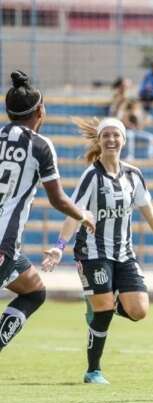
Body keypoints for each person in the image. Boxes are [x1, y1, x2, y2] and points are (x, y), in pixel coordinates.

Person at [41, 117, 153, 384]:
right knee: (103, 311)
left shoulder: (134, 175)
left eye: (115, 135)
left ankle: (102, 301)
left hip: (124, 254)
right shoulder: (91, 176)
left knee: (139, 310)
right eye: (106, 135)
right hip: (92, 253)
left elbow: (148, 210)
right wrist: (59, 247)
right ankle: (93, 370)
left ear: (123, 140)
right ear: (99, 141)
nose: (111, 139)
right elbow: (74, 214)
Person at [0, 70, 96, 353]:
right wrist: (83, 216)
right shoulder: (40, 146)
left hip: (9, 250)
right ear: (41, 110)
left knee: (34, 291)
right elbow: (57, 199)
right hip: (3, 242)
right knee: (33, 294)